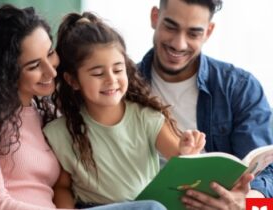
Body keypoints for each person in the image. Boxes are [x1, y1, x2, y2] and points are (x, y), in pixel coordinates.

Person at [0, 5, 168, 210]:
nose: (51, 71)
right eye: (34, 65)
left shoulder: (47, 115)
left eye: (49, 54)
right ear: (5, 71)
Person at [43, 11, 206, 209]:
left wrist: (187, 152)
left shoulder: (146, 117)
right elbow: (62, 187)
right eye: (98, 73)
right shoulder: (61, 132)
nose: (111, 80)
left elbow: (178, 157)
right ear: (73, 80)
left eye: (118, 70)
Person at [137, 0, 273, 208]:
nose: (178, 44)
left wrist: (246, 202)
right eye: (170, 27)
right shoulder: (122, 87)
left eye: (193, 34)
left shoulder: (239, 88)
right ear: (155, 17)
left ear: (208, 31)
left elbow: (268, 173)